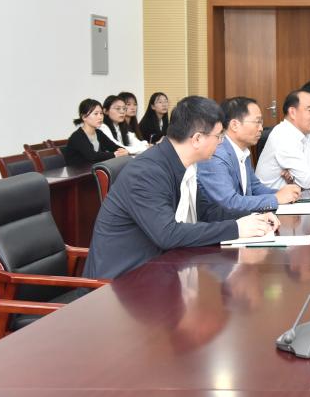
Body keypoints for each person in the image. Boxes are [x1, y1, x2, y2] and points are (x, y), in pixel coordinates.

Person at [83, 96, 275, 280]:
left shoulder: (184, 164)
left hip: (161, 269)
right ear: (197, 139)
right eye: (218, 136)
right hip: (123, 283)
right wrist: (236, 228)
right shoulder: (147, 172)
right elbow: (167, 234)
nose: (221, 142)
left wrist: (254, 217)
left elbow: (207, 211)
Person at [196, 96, 301, 218]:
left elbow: (255, 188)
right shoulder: (216, 154)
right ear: (235, 125)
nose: (261, 128)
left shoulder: (242, 151)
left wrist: (285, 194)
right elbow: (229, 202)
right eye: (257, 122)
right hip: (221, 224)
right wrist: (276, 198)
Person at [254, 90, 310, 191]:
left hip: (294, 195)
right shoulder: (284, 135)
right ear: (292, 112)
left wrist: (308, 177)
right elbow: (307, 181)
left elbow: (309, 170)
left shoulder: (304, 132)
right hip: (271, 198)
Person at [63, 98, 128, 166]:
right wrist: (115, 154)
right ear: (84, 117)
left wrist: (123, 150)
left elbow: (113, 146)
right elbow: (92, 156)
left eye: (101, 113)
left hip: (94, 168)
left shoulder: (98, 133)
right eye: (96, 114)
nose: (100, 117)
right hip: (77, 171)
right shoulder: (77, 136)